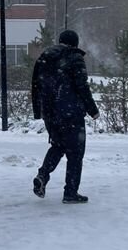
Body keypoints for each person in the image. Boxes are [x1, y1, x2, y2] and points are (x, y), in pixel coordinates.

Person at [31, 29, 99, 204]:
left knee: (58, 146)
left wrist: (39, 110)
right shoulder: (75, 58)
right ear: (75, 43)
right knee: (75, 153)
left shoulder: (45, 57)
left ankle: (43, 175)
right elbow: (81, 86)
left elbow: (36, 85)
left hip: (50, 112)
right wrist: (92, 109)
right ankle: (70, 192)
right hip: (70, 112)